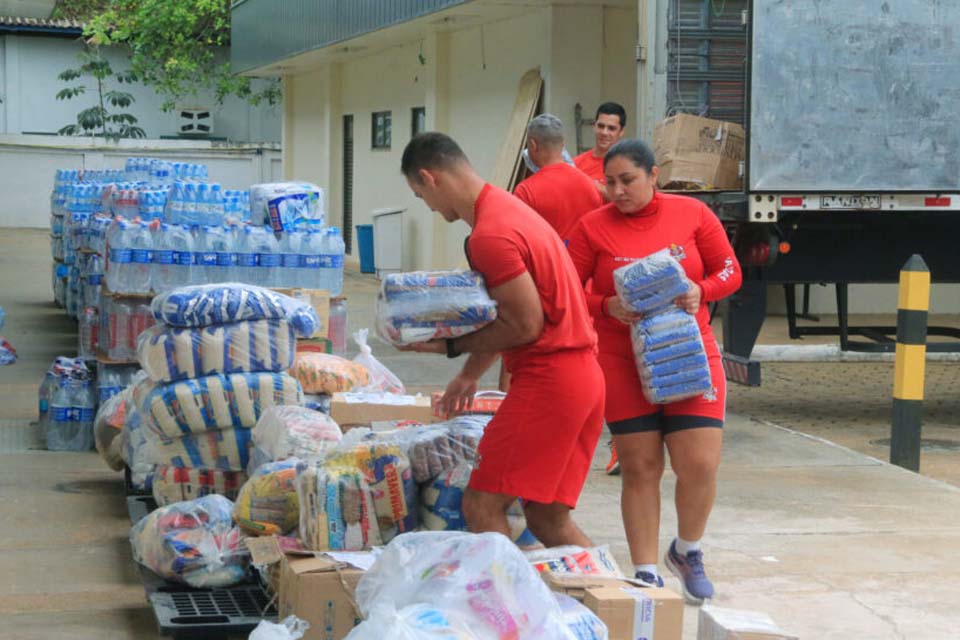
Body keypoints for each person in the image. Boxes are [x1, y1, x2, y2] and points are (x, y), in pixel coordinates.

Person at [399, 132, 605, 548]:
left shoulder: (490, 235)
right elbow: (509, 313)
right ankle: (615, 604)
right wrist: (469, 374)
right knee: (546, 519)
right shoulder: (510, 208)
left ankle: (512, 610)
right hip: (583, 378)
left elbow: (525, 325)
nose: (429, 208)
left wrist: (449, 345)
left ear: (429, 177)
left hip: (550, 378)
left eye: (420, 195)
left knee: (481, 506)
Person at [566, 138, 742, 604]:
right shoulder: (591, 227)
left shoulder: (693, 215)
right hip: (622, 362)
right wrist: (606, 304)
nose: (618, 191)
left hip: (687, 355)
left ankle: (688, 551)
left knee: (700, 464)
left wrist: (700, 291)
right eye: (610, 183)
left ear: (653, 176)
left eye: (628, 180)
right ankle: (645, 571)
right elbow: (564, 288)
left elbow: (730, 271)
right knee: (641, 467)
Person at [515, 113, 603, 242]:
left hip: (546, 261)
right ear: (563, 144)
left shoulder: (526, 191)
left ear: (533, 145)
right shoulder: (589, 185)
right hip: (582, 261)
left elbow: (520, 240)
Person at [574, 102, 627, 189]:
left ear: (621, 131)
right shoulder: (576, 164)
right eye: (601, 126)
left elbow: (632, 198)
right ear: (594, 126)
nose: (604, 132)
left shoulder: (630, 164)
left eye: (611, 128)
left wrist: (593, 185)